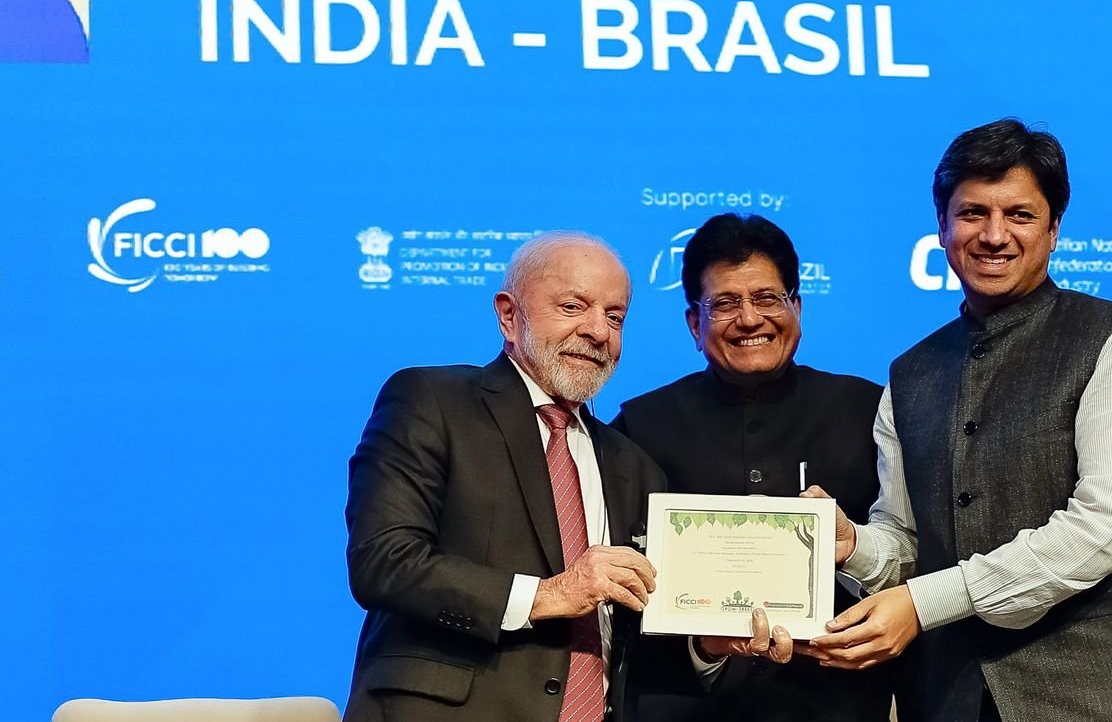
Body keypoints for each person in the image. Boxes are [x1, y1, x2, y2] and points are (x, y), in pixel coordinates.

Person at [799, 118, 1112, 721]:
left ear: (1054, 229)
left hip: (1103, 695)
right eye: (972, 213)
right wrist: (852, 545)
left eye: (1019, 215)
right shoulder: (910, 373)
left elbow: (1104, 527)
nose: (993, 235)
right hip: (950, 699)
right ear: (942, 226)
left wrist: (926, 602)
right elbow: (909, 545)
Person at [344, 232, 668, 722]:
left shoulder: (633, 464)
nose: (598, 331)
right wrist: (549, 595)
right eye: (572, 307)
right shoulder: (432, 401)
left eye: (615, 317)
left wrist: (707, 644)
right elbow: (384, 561)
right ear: (509, 315)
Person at [613, 213, 894, 722]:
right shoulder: (640, 427)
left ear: (797, 308)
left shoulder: (866, 411)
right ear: (694, 323)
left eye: (767, 298)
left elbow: (912, 554)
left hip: (838, 704)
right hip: (685, 708)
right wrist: (701, 646)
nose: (749, 319)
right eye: (725, 304)